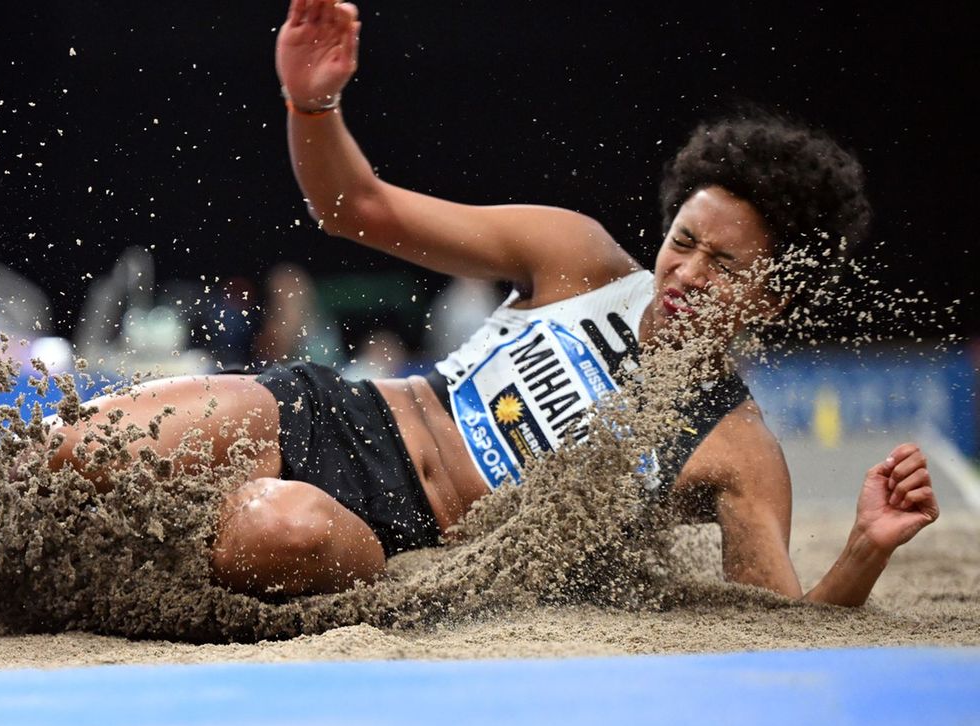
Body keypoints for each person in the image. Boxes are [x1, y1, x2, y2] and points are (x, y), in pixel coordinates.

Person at [48, 0, 939, 605]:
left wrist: (863, 552)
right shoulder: (583, 260)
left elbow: (768, 636)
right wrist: (311, 105)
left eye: (725, 264)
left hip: (408, 541)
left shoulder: (739, 450)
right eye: (683, 242)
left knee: (267, 525)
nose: (687, 274)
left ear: (772, 299)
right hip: (338, 414)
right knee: (86, 448)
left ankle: (112, 586)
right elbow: (353, 207)